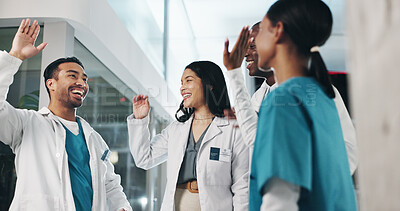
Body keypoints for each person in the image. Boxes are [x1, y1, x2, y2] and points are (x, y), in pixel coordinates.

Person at [0, 19, 131, 211]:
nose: (82, 83)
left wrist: (123, 207)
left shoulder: (94, 138)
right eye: (73, 76)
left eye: (84, 79)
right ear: (51, 84)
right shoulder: (27, 124)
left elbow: (110, 183)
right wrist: (15, 56)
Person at [247, 0, 358, 210]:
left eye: (260, 31)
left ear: (278, 31)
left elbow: (280, 201)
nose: (251, 47)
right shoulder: (322, 96)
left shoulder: (283, 101)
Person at [223, 22, 358, 174]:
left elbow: (260, 141)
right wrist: (244, 119)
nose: (245, 54)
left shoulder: (307, 91)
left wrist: (234, 73)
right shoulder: (259, 98)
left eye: (253, 46)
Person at [127, 61, 249, 211]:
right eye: (181, 83)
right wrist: (140, 120)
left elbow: (242, 187)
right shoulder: (176, 129)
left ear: (210, 84)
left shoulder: (232, 129)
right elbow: (143, 158)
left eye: (189, 80)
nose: (182, 87)